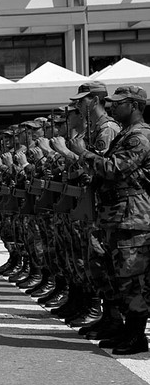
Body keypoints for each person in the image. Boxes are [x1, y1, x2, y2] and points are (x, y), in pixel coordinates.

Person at [69, 85, 150, 355]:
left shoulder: (140, 136)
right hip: (118, 216)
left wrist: (83, 153)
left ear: (135, 106)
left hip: (133, 216)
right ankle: (126, 330)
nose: (113, 106)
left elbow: (114, 169)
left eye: (120, 103)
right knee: (119, 277)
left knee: (132, 279)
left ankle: (136, 335)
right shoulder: (126, 134)